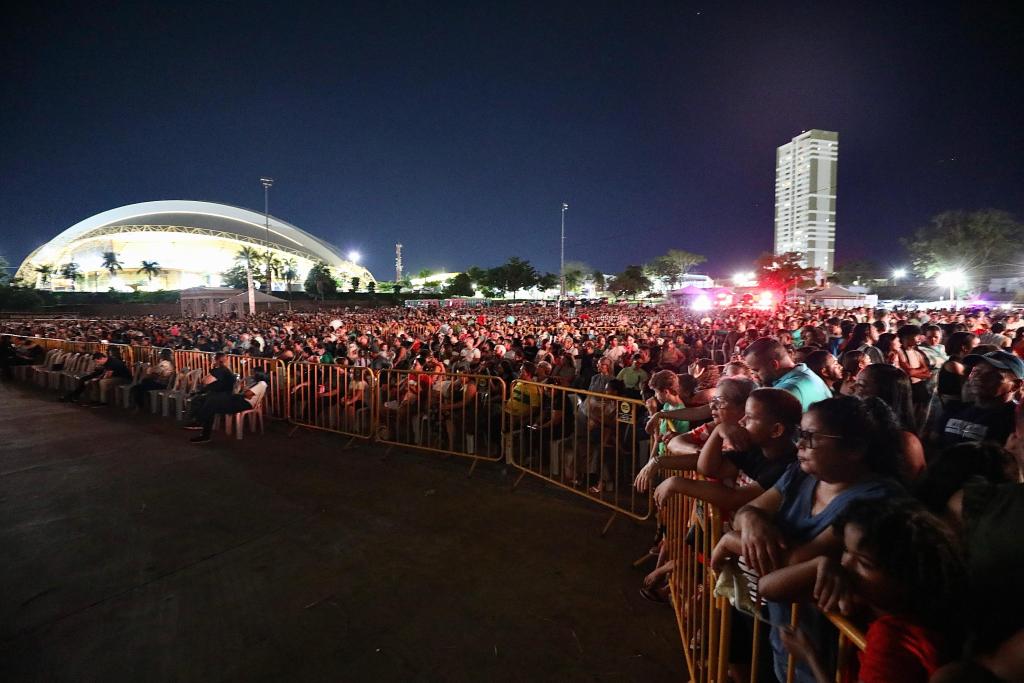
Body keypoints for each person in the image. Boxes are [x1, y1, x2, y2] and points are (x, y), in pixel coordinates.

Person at [711, 395, 905, 683]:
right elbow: (748, 511)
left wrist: (730, 541)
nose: (799, 444)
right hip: (790, 637)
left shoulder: (874, 502)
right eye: (800, 434)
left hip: (829, 656)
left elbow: (791, 561)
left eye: (811, 437)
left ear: (854, 448)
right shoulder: (802, 475)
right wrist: (752, 520)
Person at [777, 498, 964, 683]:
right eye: (845, 550)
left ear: (904, 578)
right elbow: (769, 588)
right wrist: (821, 562)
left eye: (864, 563)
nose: (845, 564)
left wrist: (810, 656)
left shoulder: (890, 643)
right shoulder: (911, 610)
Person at [853, 363, 926, 481]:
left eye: (861, 385)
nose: (853, 388)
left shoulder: (906, 442)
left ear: (885, 393)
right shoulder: (857, 426)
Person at [934, 350, 1022, 448]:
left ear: (1016, 385)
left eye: (992, 375)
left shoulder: (1016, 420)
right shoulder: (954, 408)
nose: (979, 377)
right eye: (976, 371)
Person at [743, 337, 833, 411]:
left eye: (756, 370)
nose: (754, 375)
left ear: (774, 364)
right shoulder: (804, 373)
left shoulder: (786, 391)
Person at [189, 376, 267, 443]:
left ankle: (201, 425)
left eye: (254, 373)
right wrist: (243, 391)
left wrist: (244, 392)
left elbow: (247, 394)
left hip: (243, 403)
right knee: (212, 401)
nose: (252, 375)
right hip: (239, 400)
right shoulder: (257, 383)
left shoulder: (262, 383)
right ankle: (202, 427)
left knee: (212, 404)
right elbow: (245, 393)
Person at [60, 352, 132, 404]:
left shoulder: (113, 362)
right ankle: (95, 399)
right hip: (115, 377)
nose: (97, 363)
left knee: (103, 382)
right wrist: (96, 379)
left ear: (101, 358)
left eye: (97, 361)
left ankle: (103, 401)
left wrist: (98, 379)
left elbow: (108, 375)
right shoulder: (107, 361)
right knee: (94, 381)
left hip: (123, 378)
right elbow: (105, 373)